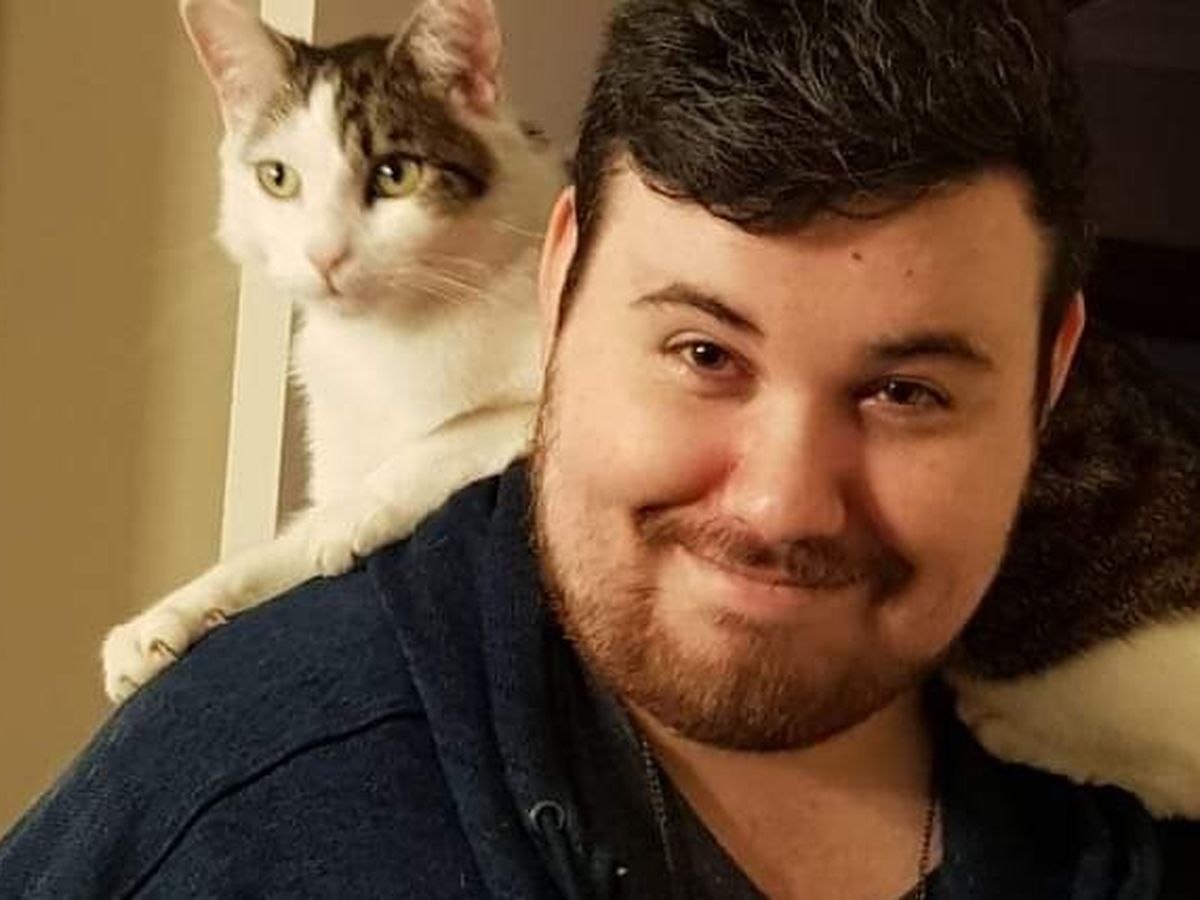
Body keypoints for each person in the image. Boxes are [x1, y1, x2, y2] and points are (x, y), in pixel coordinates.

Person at [2, 0, 1197, 896]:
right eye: (703, 353)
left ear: (1049, 377)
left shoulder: (1134, 820)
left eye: (905, 391)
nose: (782, 504)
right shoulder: (220, 811)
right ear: (561, 275)